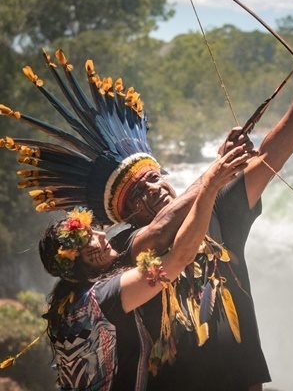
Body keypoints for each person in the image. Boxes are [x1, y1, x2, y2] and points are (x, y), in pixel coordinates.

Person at [110, 49, 293, 391]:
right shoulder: (124, 248)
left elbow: (269, 158)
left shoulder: (218, 207)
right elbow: (162, 230)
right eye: (136, 195)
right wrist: (216, 171)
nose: (151, 190)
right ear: (126, 217)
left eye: (153, 178)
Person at [37, 145, 250, 390]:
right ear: (77, 262)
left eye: (93, 229)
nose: (102, 236)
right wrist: (211, 185)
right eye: (88, 240)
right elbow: (178, 258)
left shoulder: (69, 304)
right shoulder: (102, 298)